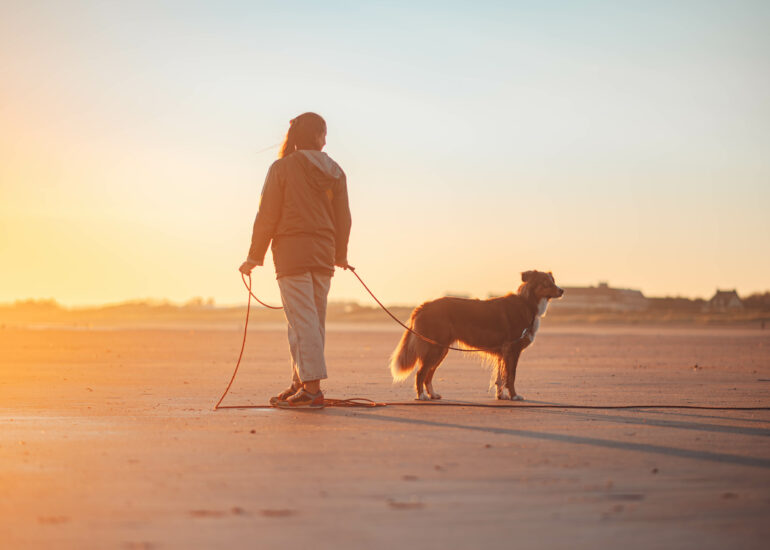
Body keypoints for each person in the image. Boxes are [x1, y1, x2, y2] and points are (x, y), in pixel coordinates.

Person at [239, 113, 351, 409]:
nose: (326, 140)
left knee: (302, 322)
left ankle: (312, 390)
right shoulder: (336, 171)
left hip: (292, 253)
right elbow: (343, 217)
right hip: (323, 253)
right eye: (324, 134)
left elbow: (267, 215)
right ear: (317, 136)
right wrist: (340, 254)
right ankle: (300, 383)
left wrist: (254, 256)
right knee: (309, 322)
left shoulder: (282, 168)